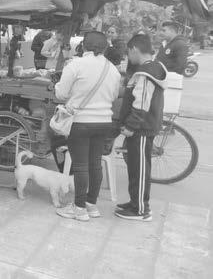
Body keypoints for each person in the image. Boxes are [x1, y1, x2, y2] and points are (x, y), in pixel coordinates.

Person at [54, 31, 121, 221]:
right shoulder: (113, 70)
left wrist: (61, 88)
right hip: (104, 122)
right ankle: (91, 205)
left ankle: (79, 208)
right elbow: (114, 96)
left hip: (81, 121)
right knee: (95, 164)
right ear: (105, 48)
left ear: (83, 45)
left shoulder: (76, 65)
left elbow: (61, 94)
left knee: (80, 166)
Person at [116, 34, 166, 221]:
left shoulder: (146, 73)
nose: (128, 57)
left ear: (134, 49)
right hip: (142, 127)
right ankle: (135, 202)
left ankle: (140, 210)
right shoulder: (153, 67)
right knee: (136, 167)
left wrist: (131, 125)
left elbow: (142, 103)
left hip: (141, 128)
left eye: (128, 53)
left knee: (140, 169)